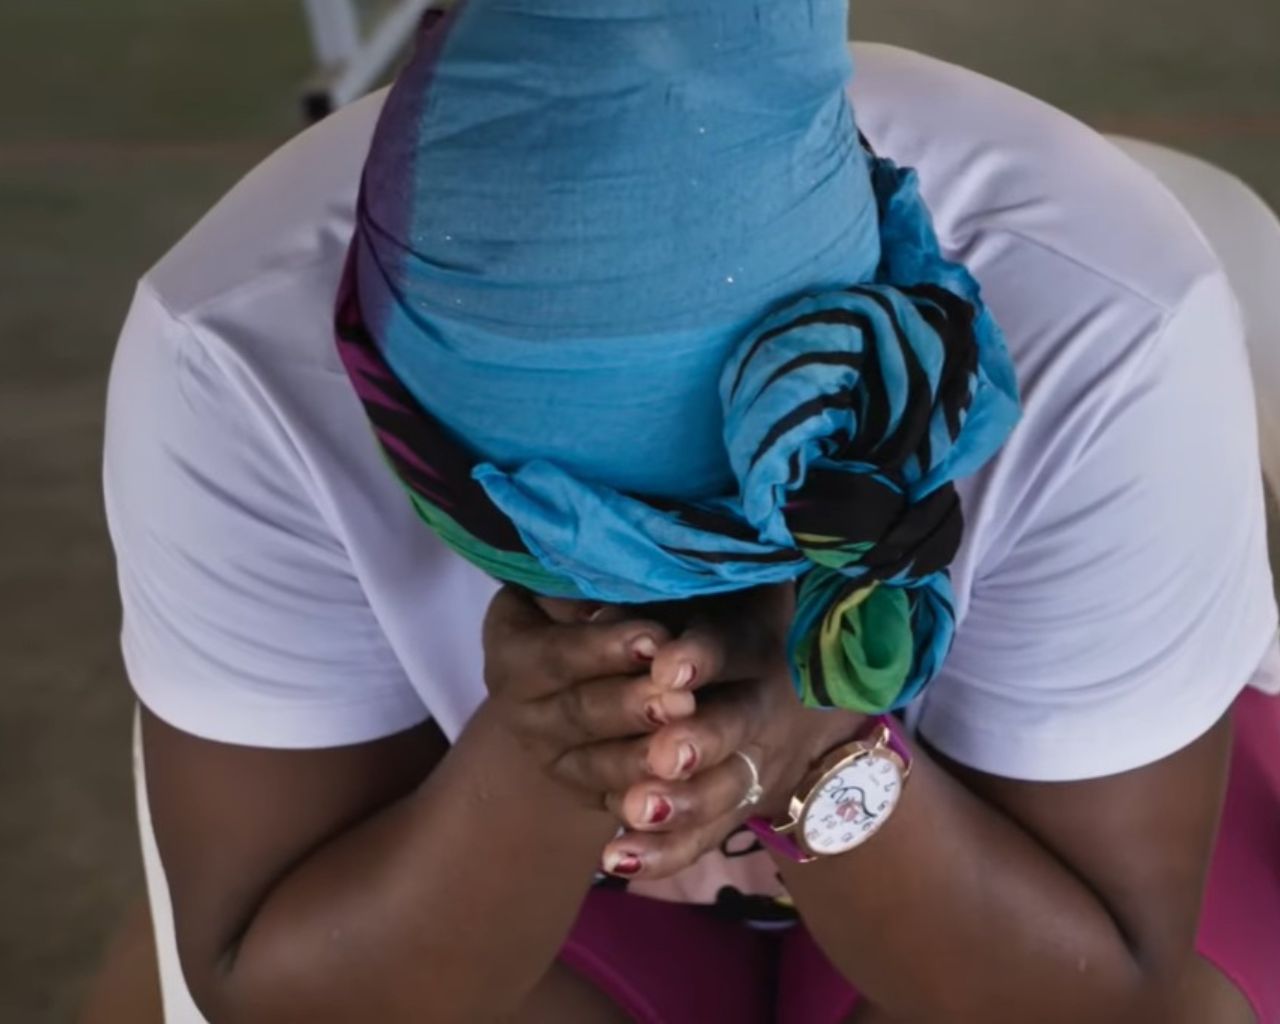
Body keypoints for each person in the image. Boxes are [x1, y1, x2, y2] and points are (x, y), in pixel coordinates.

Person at [103, 3, 1280, 1022]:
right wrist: (551, 747)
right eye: (546, 540)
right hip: (484, 860)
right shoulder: (235, 356)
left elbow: (1098, 988)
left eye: (706, 538)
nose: (651, 609)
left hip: (1010, 836)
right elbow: (272, 983)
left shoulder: (1106, 323)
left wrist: (812, 743)